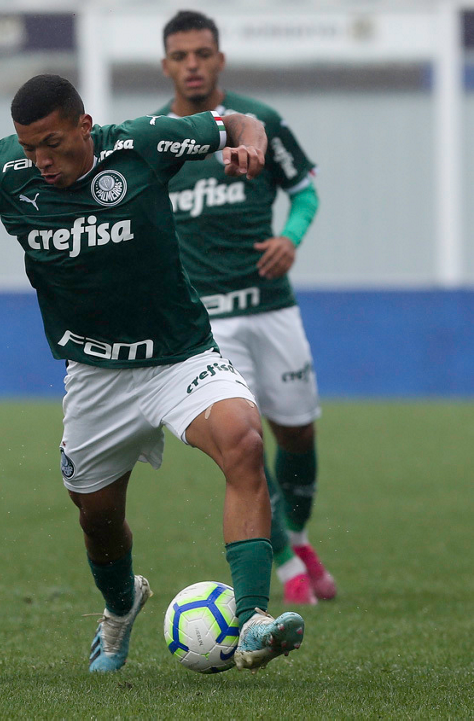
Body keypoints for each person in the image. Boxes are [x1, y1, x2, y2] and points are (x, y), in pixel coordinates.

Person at [0, 74, 306, 673]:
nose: (41, 161)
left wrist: (249, 145)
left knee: (244, 441)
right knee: (97, 519)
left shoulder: (141, 144)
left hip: (179, 356)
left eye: (53, 144)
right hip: (96, 374)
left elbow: (238, 123)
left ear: (84, 126)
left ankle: (252, 620)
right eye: (30, 148)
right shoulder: (5, 168)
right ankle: (121, 606)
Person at [157, 10, 334, 606]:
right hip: (208, 323)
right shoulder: (157, 138)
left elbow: (304, 193)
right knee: (246, 442)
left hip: (272, 308)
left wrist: (291, 238)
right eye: (181, 56)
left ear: (220, 59)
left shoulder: (262, 122)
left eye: (202, 53)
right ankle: (288, 566)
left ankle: (300, 538)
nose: (193, 65)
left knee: (298, 432)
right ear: (165, 65)